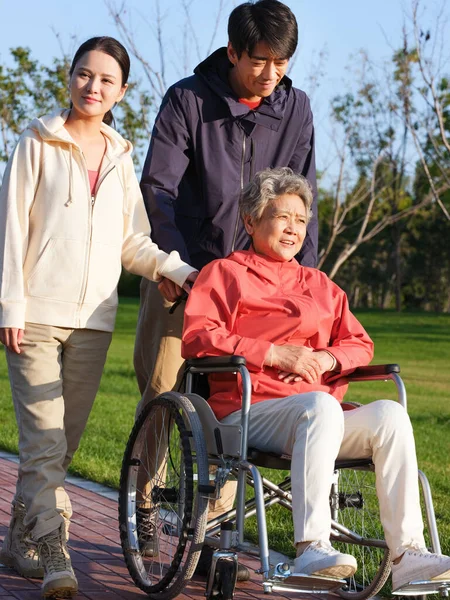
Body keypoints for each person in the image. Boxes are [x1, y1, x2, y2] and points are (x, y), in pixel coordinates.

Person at [181, 167, 450, 593]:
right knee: (320, 406)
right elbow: (198, 337)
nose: (293, 229)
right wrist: (271, 352)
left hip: (315, 416)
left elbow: (360, 344)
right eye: (282, 216)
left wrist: (325, 358)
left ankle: (407, 556)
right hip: (249, 411)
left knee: (390, 415)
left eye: (301, 220)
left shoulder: (320, 284)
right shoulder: (224, 273)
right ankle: (311, 546)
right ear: (250, 221)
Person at [0, 36, 197, 599]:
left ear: (122, 91)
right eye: (84, 75)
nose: (93, 87)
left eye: (106, 80)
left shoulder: (119, 155)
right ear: (70, 77)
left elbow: (131, 240)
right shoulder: (37, 140)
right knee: (42, 443)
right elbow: (11, 228)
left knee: (62, 444)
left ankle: (18, 540)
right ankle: (56, 553)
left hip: (93, 320)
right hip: (35, 315)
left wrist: (176, 270)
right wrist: (10, 304)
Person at [134, 2, 317, 575]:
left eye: (281, 63)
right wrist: (179, 269)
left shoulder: (296, 109)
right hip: (184, 276)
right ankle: (143, 506)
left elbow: (302, 201)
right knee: (167, 390)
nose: (270, 74)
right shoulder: (188, 99)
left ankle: (217, 530)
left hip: (259, 288)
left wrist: (305, 286)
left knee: (247, 396)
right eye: (259, 61)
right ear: (233, 51)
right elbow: (158, 188)